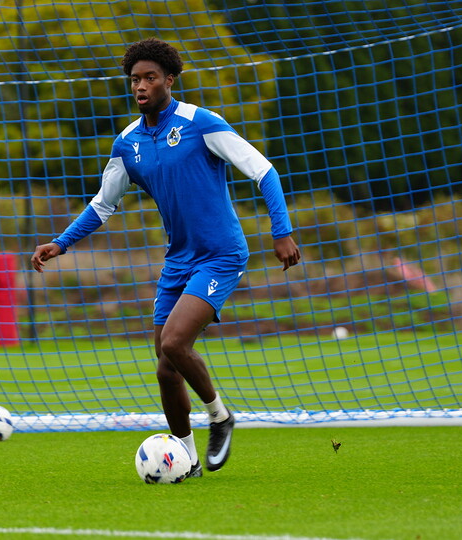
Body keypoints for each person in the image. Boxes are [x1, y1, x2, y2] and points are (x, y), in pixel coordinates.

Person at [31, 38, 301, 477]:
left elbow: (263, 170)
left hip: (220, 254)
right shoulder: (127, 144)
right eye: (135, 79)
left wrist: (282, 232)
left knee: (175, 343)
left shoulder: (201, 122)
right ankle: (188, 459)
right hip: (178, 261)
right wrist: (61, 243)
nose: (141, 85)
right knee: (164, 367)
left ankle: (220, 418)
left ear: (169, 79)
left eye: (150, 77)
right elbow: (103, 204)